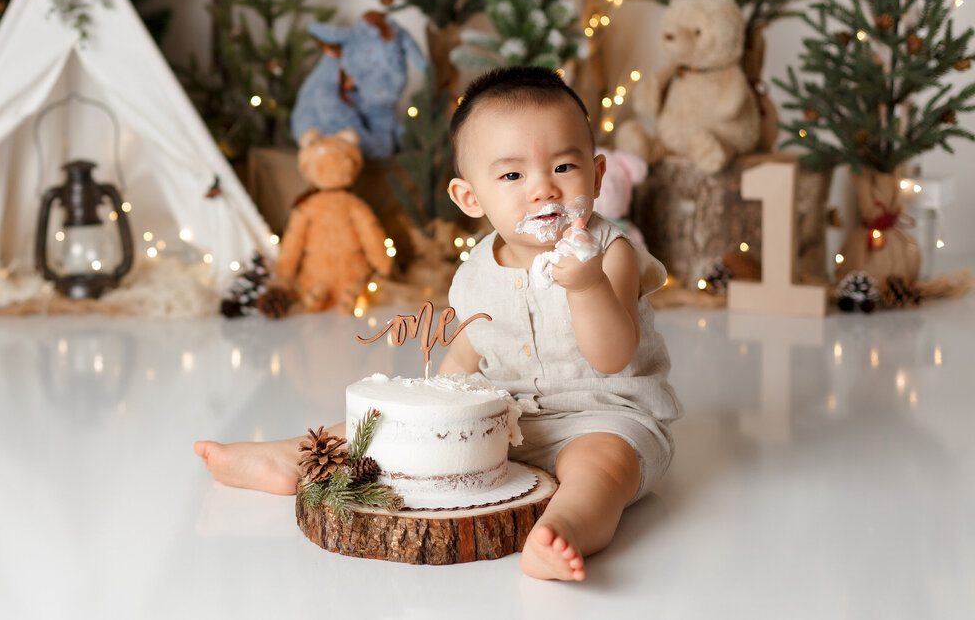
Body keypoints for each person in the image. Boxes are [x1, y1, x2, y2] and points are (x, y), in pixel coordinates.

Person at [195, 66, 682, 582]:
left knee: (600, 468)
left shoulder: (611, 254)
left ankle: (565, 527)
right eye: (512, 175)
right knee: (388, 426)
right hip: (509, 417)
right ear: (470, 198)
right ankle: (294, 457)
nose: (543, 189)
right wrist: (430, 410)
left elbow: (613, 356)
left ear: (598, 174)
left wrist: (586, 286)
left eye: (563, 167)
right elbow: (464, 360)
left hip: (606, 417)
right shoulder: (474, 273)